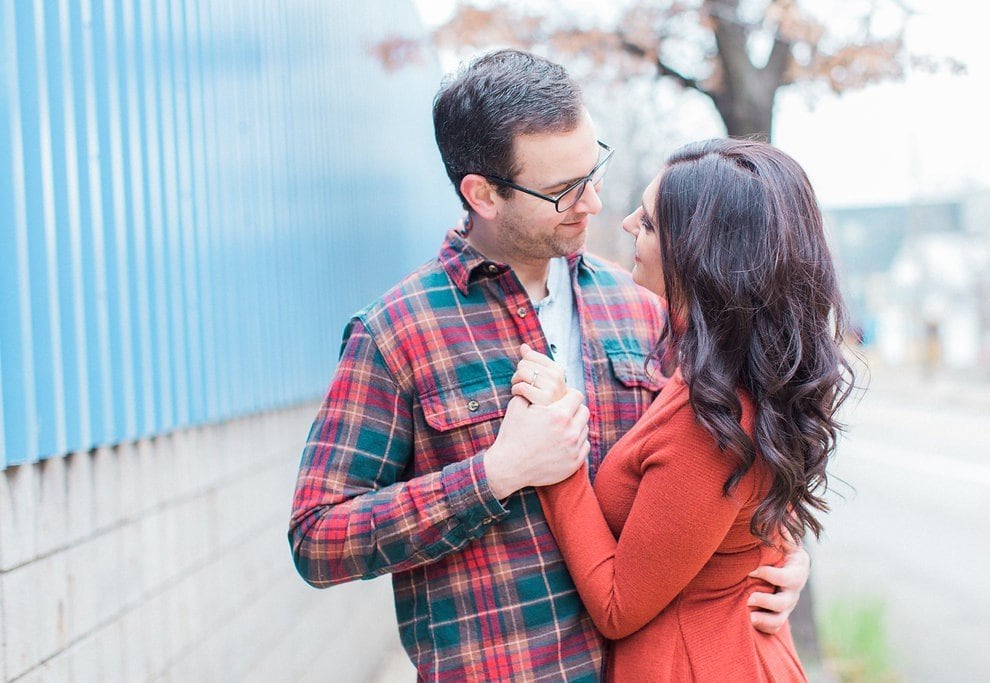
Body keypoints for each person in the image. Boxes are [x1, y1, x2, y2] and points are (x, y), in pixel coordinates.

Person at [289, 50, 809, 681]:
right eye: (564, 190)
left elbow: (726, 455)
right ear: (482, 194)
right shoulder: (397, 335)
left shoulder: (641, 305)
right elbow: (318, 539)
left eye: (592, 171)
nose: (592, 203)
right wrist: (492, 476)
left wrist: (772, 547)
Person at [512, 139, 854, 681]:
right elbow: (741, 507)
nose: (624, 224)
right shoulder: (725, 369)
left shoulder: (711, 421)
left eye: (647, 223)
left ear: (700, 256)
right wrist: (777, 548)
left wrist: (556, 451)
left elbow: (618, 604)